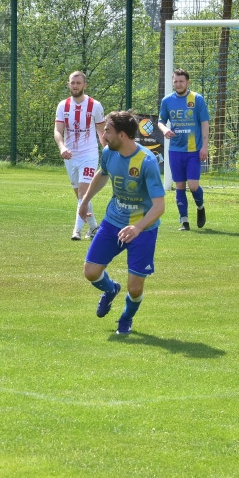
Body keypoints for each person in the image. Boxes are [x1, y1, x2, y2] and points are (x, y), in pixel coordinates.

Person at [77, 110, 166, 335]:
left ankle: (126, 318)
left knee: (135, 289)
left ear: (123, 135)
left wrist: (137, 228)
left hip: (142, 229)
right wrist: (85, 200)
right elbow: (102, 173)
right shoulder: (108, 152)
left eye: (107, 130)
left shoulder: (147, 162)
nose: (104, 135)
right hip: (113, 222)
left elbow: (159, 206)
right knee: (91, 272)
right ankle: (110, 289)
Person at [54, 71, 107, 240]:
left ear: (85, 85)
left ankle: (76, 231)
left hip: (89, 154)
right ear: (68, 85)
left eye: (78, 82)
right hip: (70, 156)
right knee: (81, 196)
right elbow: (57, 130)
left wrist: (107, 151)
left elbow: (101, 131)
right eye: (72, 82)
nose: (75, 85)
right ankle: (93, 227)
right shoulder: (63, 106)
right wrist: (62, 147)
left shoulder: (95, 105)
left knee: (84, 193)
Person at [158, 68, 210, 231]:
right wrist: (165, 129)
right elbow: (160, 120)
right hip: (175, 150)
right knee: (179, 186)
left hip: (194, 150)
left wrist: (205, 146)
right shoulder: (167, 101)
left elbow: (204, 123)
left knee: (193, 185)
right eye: (176, 81)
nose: (178, 84)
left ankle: (200, 208)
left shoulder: (197, 99)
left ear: (187, 82)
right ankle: (184, 221)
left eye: (181, 81)